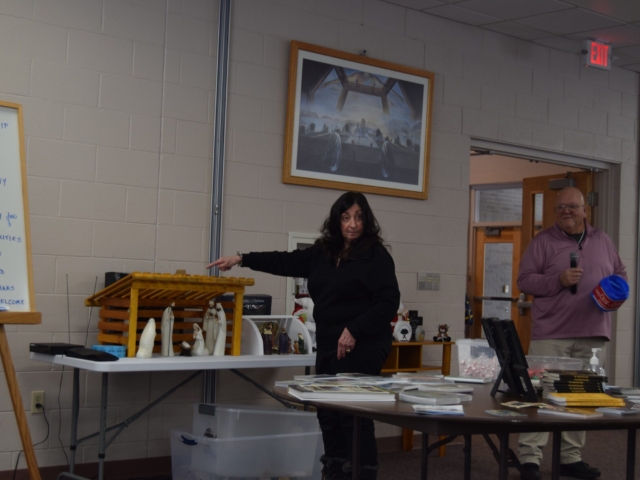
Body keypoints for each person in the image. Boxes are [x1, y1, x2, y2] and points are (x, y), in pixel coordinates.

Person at [208, 191, 400, 480]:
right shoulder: (323, 253)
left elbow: (388, 302)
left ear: (366, 220)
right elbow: (283, 261)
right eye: (346, 217)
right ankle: (335, 473)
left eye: (359, 217)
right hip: (329, 343)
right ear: (337, 221)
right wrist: (241, 258)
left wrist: (354, 330)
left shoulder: (376, 256)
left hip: (363, 344)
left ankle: (362, 474)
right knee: (328, 414)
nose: (352, 224)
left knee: (353, 416)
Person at [517, 187, 626, 480]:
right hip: (551, 333)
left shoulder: (603, 240)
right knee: (540, 394)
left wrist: (615, 293)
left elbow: (620, 273)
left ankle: (570, 458)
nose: (567, 211)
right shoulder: (543, 241)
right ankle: (530, 459)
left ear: (585, 210)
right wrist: (558, 280)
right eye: (561, 207)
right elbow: (524, 280)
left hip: (593, 332)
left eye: (573, 206)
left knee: (581, 396)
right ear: (555, 212)